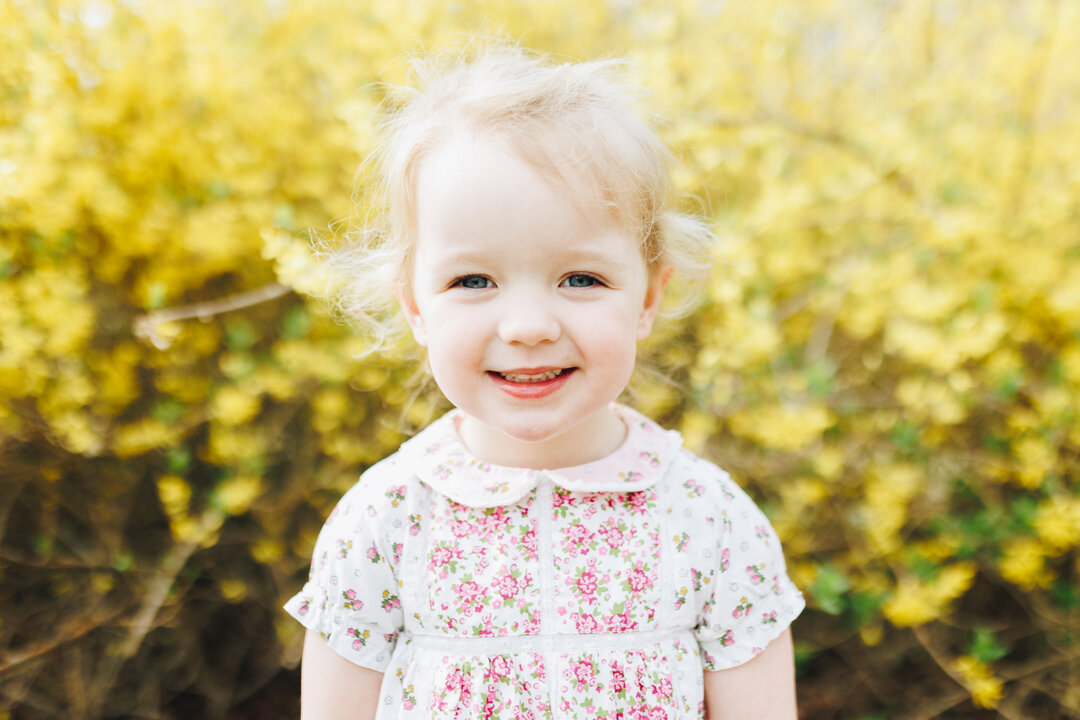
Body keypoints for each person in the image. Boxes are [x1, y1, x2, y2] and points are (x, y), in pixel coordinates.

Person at [285, 45, 804, 720]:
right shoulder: (385, 521)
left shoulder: (709, 521)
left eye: (580, 279)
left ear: (649, 295)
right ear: (415, 305)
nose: (528, 326)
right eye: (473, 281)